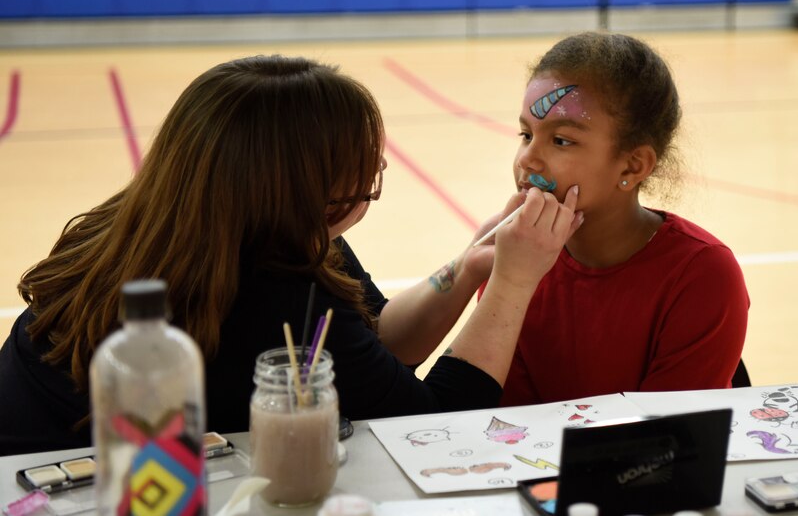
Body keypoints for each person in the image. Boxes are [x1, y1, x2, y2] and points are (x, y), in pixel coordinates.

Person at [0, 55, 582, 456]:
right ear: (301, 187)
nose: (379, 167)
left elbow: (374, 345)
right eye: (360, 160)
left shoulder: (159, 222)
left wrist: (471, 265)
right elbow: (429, 424)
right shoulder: (276, 289)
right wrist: (512, 284)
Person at [496, 32, 749, 407]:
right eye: (526, 134)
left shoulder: (702, 274)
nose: (527, 159)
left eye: (561, 140)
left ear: (633, 165)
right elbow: (506, 423)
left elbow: (662, 442)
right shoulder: (514, 259)